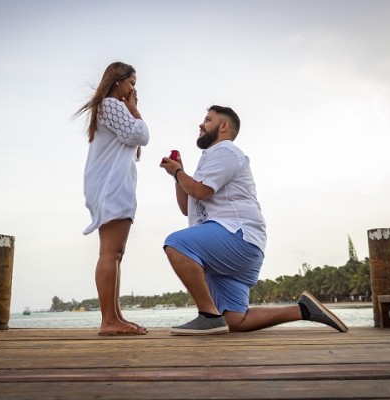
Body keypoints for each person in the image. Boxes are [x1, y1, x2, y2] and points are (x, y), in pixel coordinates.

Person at [159, 105, 348, 335]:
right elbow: (186, 207)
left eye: (208, 120)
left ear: (224, 126)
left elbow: (200, 192)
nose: (201, 124)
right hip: (236, 251)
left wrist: (180, 173)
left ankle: (208, 315)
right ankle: (303, 311)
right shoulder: (210, 161)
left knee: (176, 243)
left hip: (237, 238)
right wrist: (178, 174)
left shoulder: (226, 151)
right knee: (236, 320)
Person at [76, 62, 149, 336]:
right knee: (110, 252)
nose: (133, 90)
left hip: (109, 185)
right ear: (117, 81)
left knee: (115, 253)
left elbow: (135, 148)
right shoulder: (113, 106)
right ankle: (109, 320)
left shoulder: (106, 109)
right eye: (131, 83)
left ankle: (115, 316)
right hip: (112, 186)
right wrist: (134, 110)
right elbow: (141, 135)